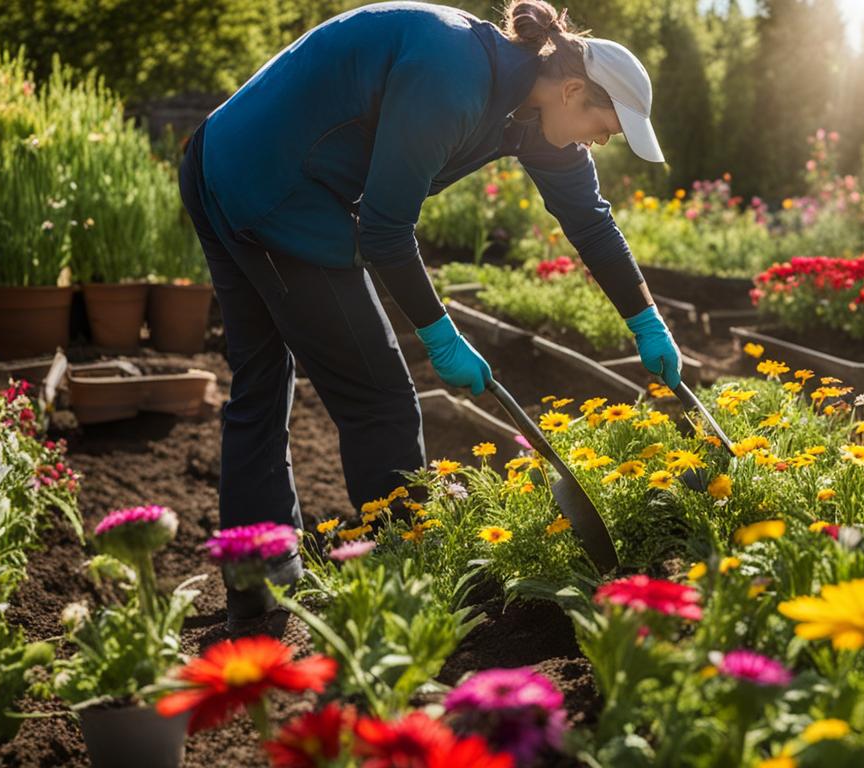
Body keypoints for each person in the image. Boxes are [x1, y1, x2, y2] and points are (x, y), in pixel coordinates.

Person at [177, 0, 682, 630]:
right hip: (272, 186)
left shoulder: (534, 111)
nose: (603, 141)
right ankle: (408, 590)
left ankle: (259, 583)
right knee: (380, 397)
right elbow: (386, 230)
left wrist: (647, 323)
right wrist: (442, 335)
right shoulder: (455, 75)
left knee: (262, 380)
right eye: (605, 124)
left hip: (223, 155)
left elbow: (591, 222)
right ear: (574, 88)